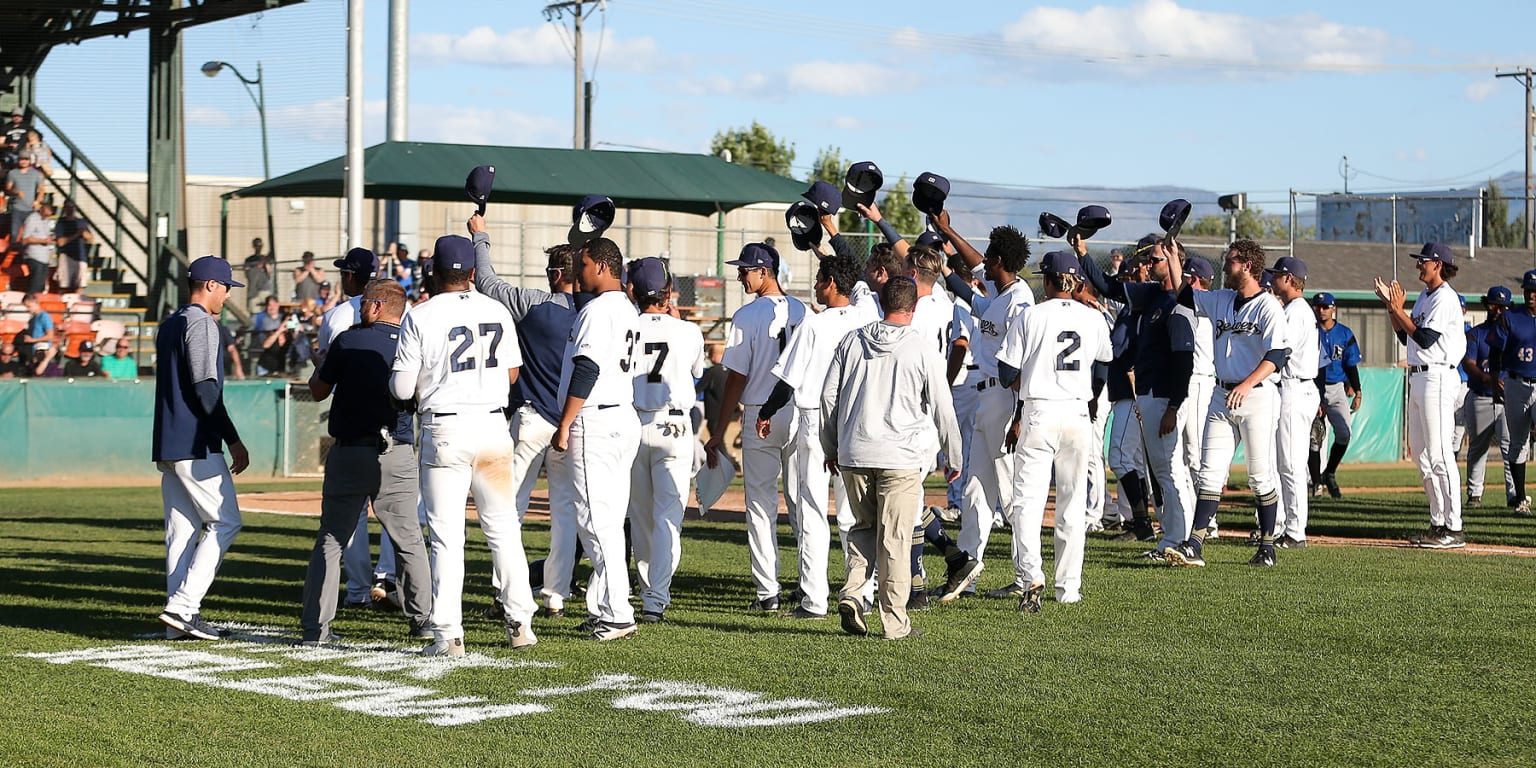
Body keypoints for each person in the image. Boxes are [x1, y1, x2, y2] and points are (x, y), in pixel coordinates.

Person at [390, 234, 534, 657]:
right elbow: (511, 375)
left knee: (446, 536)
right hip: (492, 427)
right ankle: (520, 622)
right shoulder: (496, 309)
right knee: (503, 527)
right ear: (472, 273)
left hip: (445, 429)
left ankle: (449, 633)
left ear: (434, 272)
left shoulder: (421, 314)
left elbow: (400, 388)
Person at [822, 277, 962, 640]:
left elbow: (828, 399)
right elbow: (943, 408)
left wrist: (830, 446)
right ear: (913, 309)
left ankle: (853, 593)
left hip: (854, 451)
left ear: (882, 302)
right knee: (896, 539)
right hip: (899, 456)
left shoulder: (852, 340)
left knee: (864, 529)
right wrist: (954, 454)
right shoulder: (920, 347)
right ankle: (895, 622)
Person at [302, 279, 433, 645]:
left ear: (377, 306)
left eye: (364, 304)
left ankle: (316, 628)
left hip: (351, 450)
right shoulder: (414, 342)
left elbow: (318, 390)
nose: (360, 308)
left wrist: (320, 365)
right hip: (399, 450)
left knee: (331, 539)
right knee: (408, 539)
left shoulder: (349, 339)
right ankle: (422, 620)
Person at [470, 215, 583, 619]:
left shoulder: (534, 304)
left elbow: (486, 281)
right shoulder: (593, 312)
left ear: (556, 273)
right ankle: (555, 592)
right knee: (565, 511)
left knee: (508, 510)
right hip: (573, 422)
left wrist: (480, 236)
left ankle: (508, 595)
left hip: (532, 419)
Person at [755, 253, 876, 619]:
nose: (815, 285)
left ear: (832, 284)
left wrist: (765, 411)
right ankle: (862, 594)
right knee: (857, 515)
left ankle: (814, 600)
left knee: (812, 513)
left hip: (815, 422)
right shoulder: (867, 316)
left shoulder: (814, 324)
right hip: (854, 423)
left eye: (820, 278)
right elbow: (863, 287)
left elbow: (787, 382)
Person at [996, 251, 1112, 609]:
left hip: (1040, 411)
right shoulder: (1093, 319)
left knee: (1028, 502)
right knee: (1072, 505)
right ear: (1076, 281)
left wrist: (1028, 377)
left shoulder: (1031, 315)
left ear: (1047, 281)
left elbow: (1005, 374)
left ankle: (1032, 576)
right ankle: (1069, 589)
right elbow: (1104, 364)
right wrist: (1091, 403)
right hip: (1078, 412)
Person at [1166, 239, 1290, 568]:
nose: (1225, 266)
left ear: (1247, 265)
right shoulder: (1222, 299)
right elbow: (1185, 294)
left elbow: (1277, 355)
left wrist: (1248, 383)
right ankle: (1194, 543)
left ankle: (1267, 546)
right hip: (1221, 394)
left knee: (1260, 475)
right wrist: (1173, 258)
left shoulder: (1268, 307)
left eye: (1231, 261)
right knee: (1209, 472)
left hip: (1258, 396)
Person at [703, 242, 806, 613]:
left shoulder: (747, 316)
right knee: (801, 501)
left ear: (765, 272)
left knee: (761, 505)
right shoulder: (802, 310)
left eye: (746, 269)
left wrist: (718, 429)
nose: (739, 274)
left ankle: (768, 593)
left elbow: (736, 377)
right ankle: (810, 587)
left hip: (761, 410)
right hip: (797, 410)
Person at [934, 210, 1036, 582]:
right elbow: (974, 269)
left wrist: (1020, 416)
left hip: (1007, 401)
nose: (982, 262)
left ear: (999, 261)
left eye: (988, 256)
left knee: (1011, 495)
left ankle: (1029, 577)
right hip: (986, 400)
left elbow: (1023, 364)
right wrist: (947, 233)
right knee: (975, 488)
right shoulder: (1000, 291)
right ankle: (968, 567)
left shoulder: (1020, 300)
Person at [551, 236, 643, 641]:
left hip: (595, 420)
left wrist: (566, 422)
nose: (578, 271)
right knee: (606, 518)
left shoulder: (600, 309)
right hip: (622, 415)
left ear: (603, 267)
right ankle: (606, 606)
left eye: (584, 265)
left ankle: (618, 613)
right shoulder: (626, 307)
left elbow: (586, 369)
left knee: (595, 520)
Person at [152, 256, 249, 640]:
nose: (226, 295)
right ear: (210, 285)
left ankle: (175, 620)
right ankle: (183, 607)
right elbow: (205, 386)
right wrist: (232, 438)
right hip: (195, 440)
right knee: (226, 521)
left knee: (183, 529)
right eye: (225, 287)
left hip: (169, 440)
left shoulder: (170, 323)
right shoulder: (202, 323)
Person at [627, 257, 706, 623]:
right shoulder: (688, 331)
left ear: (633, 292)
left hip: (633, 423)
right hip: (673, 427)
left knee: (640, 517)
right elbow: (696, 371)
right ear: (668, 292)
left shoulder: (625, 325)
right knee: (668, 517)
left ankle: (650, 592)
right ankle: (656, 596)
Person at [1375, 242, 1466, 548]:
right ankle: (1438, 523)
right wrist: (1392, 307)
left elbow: (1425, 338)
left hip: (1438, 374)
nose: (1418, 265)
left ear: (1438, 264)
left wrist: (1398, 309)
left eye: (1423, 261)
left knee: (1440, 454)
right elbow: (1405, 334)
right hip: (1419, 376)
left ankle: (1454, 528)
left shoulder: (1445, 298)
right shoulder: (1427, 297)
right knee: (1422, 455)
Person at [1266, 257, 1320, 548]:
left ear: (1289, 279)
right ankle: (1278, 527)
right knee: (1279, 462)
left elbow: (1281, 352)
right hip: (1289, 388)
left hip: (1295, 387)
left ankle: (1296, 531)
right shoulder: (1293, 309)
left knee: (1290, 464)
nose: (1273, 279)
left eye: (1277, 275)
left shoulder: (1297, 311)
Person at [1462, 286, 1515, 509]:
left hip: (1507, 398)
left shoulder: (1514, 334)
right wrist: (1488, 380)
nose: (1498, 310)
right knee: (1477, 447)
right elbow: (1469, 364)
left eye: (1502, 307)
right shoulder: (1476, 333)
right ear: (1487, 305)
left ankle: (1515, 494)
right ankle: (1474, 494)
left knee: (1510, 447)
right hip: (1480, 396)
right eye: (1494, 305)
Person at [1489, 270, 1536, 518]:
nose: (1531, 294)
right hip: (1516, 383)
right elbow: (1495, 351)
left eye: (1534, 291)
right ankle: (1520, 499)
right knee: (1518, 443)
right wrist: (1496, 377)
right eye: (1527, 289)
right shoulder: (1510, 317)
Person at [1309, 292, 1363, 499]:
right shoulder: (1310, 331)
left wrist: (1357, 390)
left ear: (1333, 309)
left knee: (1344, 434)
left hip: (1337, 388)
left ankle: (1329, 473)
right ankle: (1316, 484)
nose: (1321, 310)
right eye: (1318, 307)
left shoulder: (1344, 333)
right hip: (1313, 388)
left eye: (1325, 307)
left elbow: (1350, 365)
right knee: (1315, 438)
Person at [53, 202, 93, 293]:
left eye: (72, 207)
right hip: (66, 256)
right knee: (64, 285)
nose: (70, 209)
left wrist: (83, 233)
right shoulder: (61, 223)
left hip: (80, 257)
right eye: (67, 207)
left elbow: (90, 238)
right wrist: (76, 234)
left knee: (80, 285)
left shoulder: (81, 222)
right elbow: (61, 242)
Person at [19, 198, 55, 295]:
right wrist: (42, 241)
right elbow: (25, 238)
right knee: (35, 285)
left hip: (44, 258)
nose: (48, 214)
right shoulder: (32, 218)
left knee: (41, 286)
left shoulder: (46, 221)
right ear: (43, 209)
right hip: (34, 257)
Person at [5, 153, 40, 247]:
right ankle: (13, 254)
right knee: (14, 233)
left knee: (30, 233)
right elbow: (8, 188)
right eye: (22, 159)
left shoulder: (35, 173)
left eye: (26, 159)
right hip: (17, 208)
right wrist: (16, 192)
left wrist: (37, 201)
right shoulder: (13, 173)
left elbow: (41, 189)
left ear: (29, 161)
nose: (24, 161)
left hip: (31, 209)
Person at [18, 292, 54, 362]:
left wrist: (32, 340)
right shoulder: (33, 318)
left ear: (36, 303)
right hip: (34, 350)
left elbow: (50, 336)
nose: (27, 309)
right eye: (26, 307)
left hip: (42, 350)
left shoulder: (44, 316)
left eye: (29, 306)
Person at [243, 238, 274, 314]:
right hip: (254, 289)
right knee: (254, 311)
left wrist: (266, 264)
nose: (258, 248)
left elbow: (269, 273)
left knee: (266, 311)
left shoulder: (266, 259)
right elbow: (247, 274)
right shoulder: (249, 260)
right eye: (257, 246)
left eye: (260, 246)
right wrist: (257, 267)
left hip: (264, 288)